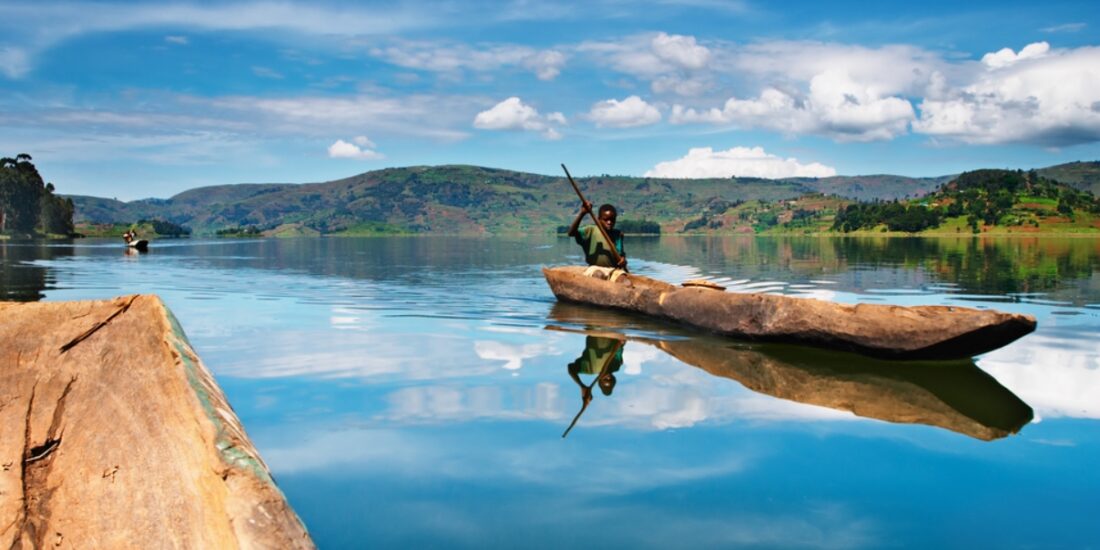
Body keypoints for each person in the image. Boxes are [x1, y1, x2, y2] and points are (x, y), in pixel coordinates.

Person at [567, 200, 627, 270]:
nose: (609, 222)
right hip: (595, 269)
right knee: (598, 274)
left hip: (613, 270)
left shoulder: (618, 234)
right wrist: (582, 213)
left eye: (612, 220)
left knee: (624, 280)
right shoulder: (590, 230)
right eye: (606, 220)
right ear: (599, 219)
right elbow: (571, 233)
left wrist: (623, 260)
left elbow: (621, 254)